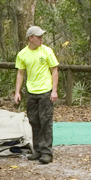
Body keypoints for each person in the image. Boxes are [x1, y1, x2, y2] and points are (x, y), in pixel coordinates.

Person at [14, 25, 59, 165]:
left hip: (45, 91)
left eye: (41, 37)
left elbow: (55, 70)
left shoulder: (47, 51)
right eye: (38, 37)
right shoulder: (22, 54)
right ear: (30, 38)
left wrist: (54, 90)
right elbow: (20, 73)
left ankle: (46, 152)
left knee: (45, 120)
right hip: (31, 92)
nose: (41, 39)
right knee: (34, 120)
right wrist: (17, 91)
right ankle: (37, 150)